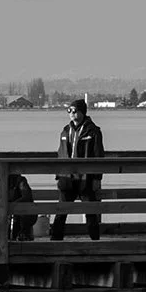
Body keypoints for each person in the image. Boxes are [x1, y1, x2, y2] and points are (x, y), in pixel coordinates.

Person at [50, 99, 105, 241]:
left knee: (91, 213)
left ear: (82, 112)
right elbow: (60, 153)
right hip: (67, 178)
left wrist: (97, 178)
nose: (71, 114)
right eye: (69, 111)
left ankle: (95, 242)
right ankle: (55, 242)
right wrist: (58, 176)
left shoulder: (93, 131)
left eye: (74, 111)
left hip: (86, 179)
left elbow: (99, 156)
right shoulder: (65, 131)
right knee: (61, 212)